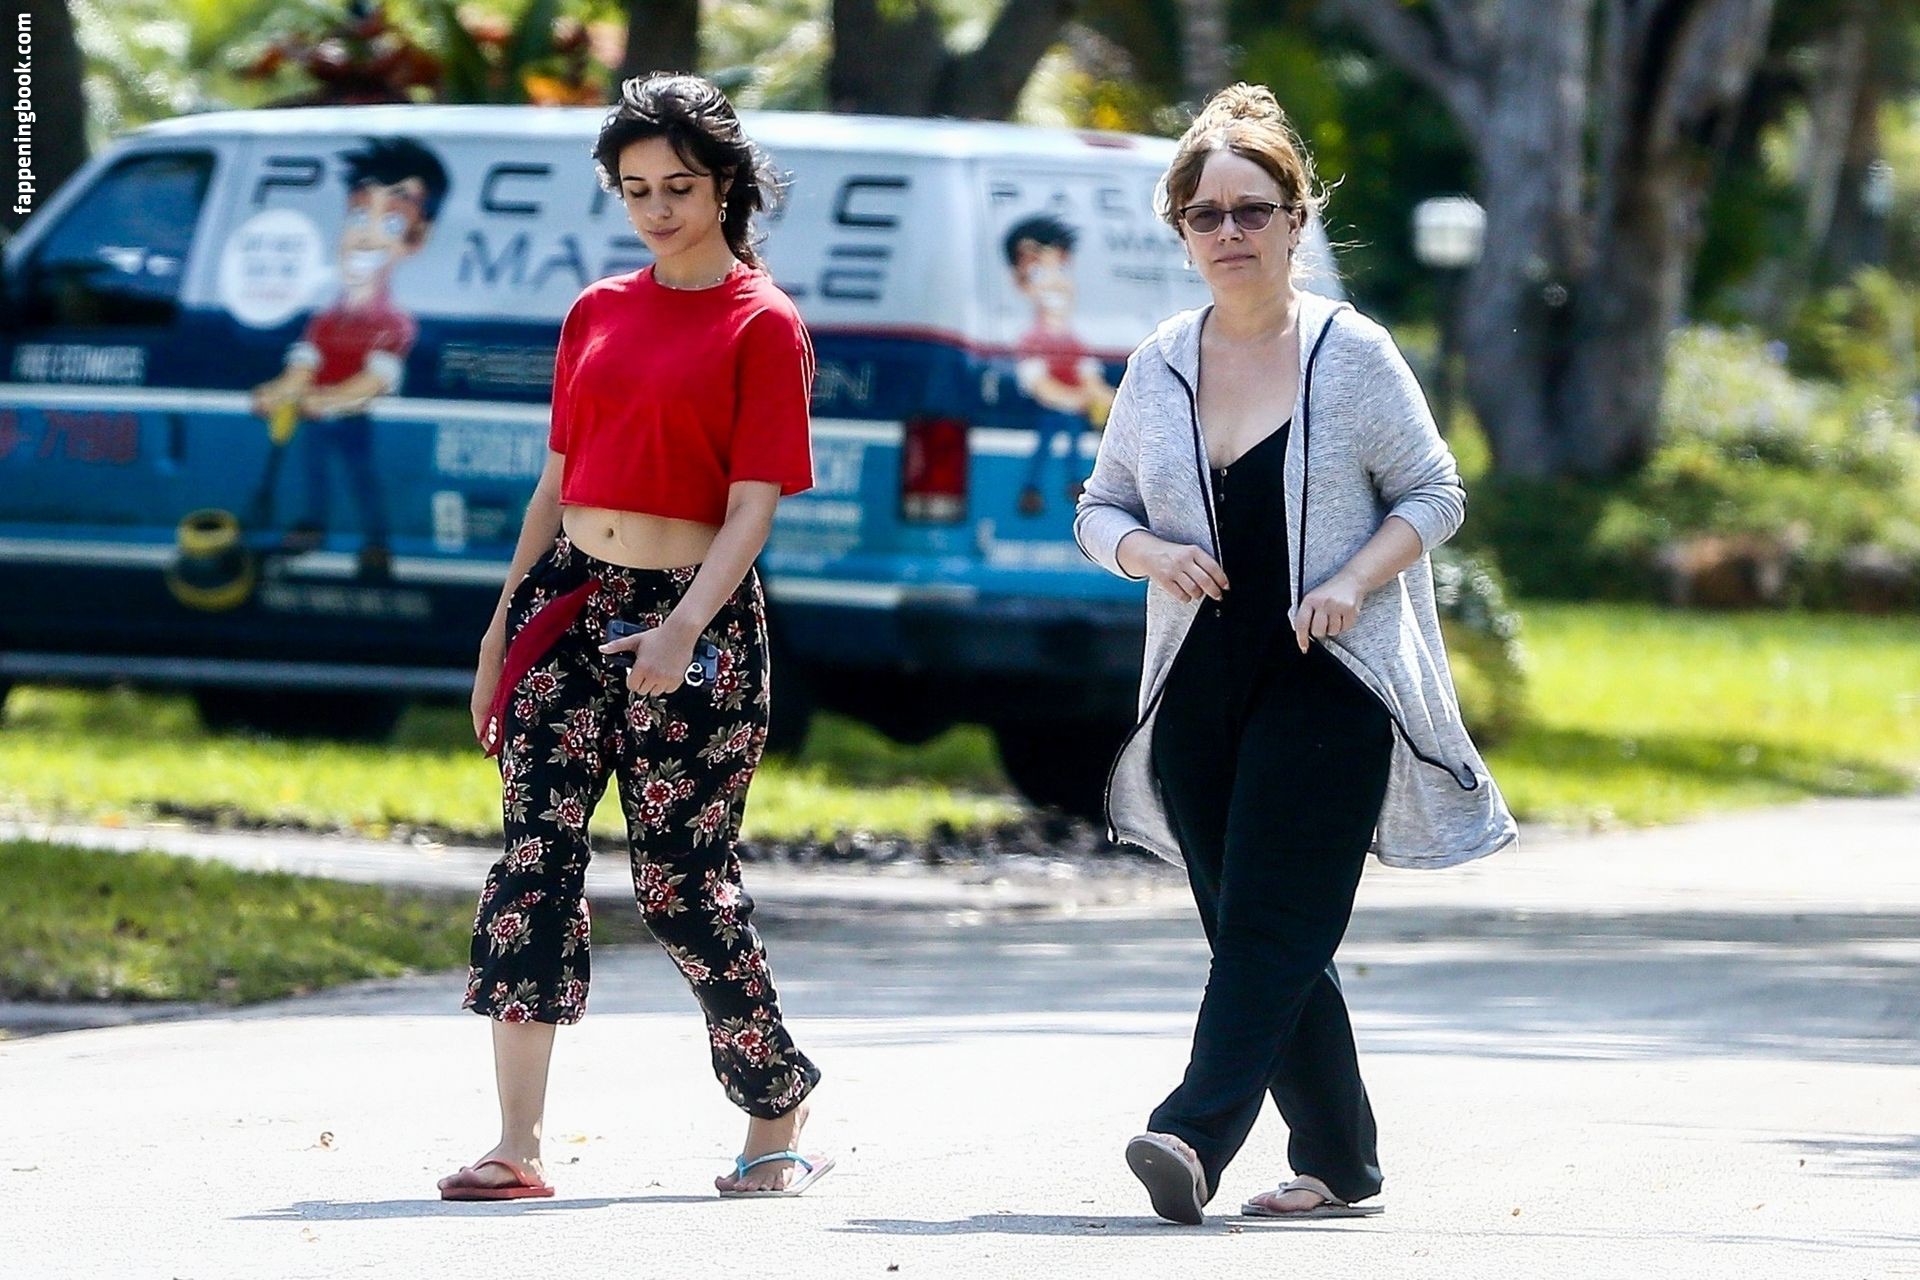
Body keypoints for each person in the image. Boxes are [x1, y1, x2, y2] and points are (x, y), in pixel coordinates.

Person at [1073, 83, 1517, 1226]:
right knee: (1260, 931)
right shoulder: (1161, 364)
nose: (1230, 232)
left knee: (1271, 924)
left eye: (1253, 210)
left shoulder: (1350, 353)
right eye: (1207, 214)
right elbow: (1097, 507)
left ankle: (1191, 1131)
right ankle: (1339, 1159)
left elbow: (1434, 491)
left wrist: (1353, 579)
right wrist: (1147, 551)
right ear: (1181, 230)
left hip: (1331, 677)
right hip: (1196, 686)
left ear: (1296, 219)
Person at [437, 73, 832, 1202]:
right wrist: (500, 631)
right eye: (636, 188)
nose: (657, 208)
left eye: (679, 187)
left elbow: (753, 506)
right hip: (566, 605)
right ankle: (516, 1144)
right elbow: (554, 485)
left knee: (680, 884)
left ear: (726, 188)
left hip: (696, 619)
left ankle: (775, 1104)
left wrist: (681, 627)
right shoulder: (596, 311)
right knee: (534, 858)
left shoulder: (763, 322)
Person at [249, 136, 450, 580]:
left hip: (350, 418)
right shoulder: (327, 318)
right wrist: (277, 391)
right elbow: (303, 365)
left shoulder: (394, 323)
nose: (366, 235)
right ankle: (314, 526)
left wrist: (324, 401)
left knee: (362, 477)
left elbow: (373, 382)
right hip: (314, 415)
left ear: (417, 238)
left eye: (391, 221)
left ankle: (376, 540)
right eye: (359, 215)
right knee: (314, 470)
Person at [1002, 214, 1115, 516]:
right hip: (1054, 409)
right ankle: (1031, 488)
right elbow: (1042, 386)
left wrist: (1113, 400)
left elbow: (1091, 379)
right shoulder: (1032, 340)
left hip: (1073, 409)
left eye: (1061, 269)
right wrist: (1082, 399)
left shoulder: (1075, 343)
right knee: (1045, 445)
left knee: (1075, 441)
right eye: (1039, 270)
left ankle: (1076, 484)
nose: (1055, 283)